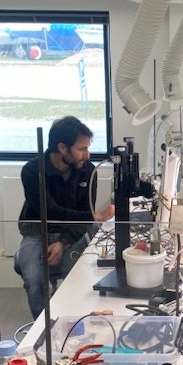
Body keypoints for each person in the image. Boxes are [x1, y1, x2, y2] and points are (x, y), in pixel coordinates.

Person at [14, 116, 114, 317]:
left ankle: (74, 325)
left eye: (87, 148)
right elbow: (50, 212)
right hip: (37, 232)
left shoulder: (88, 171)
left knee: (77, 279)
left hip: (73, 234)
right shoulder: (33, 171)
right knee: (34, 280)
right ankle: (42, 331)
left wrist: (63, 242)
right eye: (81, 149)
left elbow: (82, 220)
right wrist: (94, 217)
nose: (87, 155)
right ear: (62, 148)